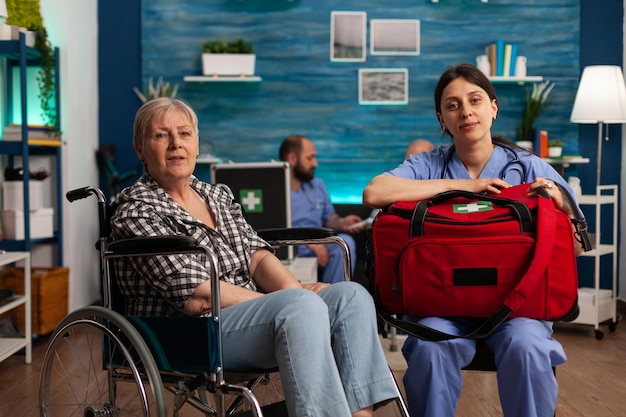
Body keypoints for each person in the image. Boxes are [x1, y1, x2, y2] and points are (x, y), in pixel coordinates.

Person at [110, 98, 399, 417]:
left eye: (185, 133)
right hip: (188, 332)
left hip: (240, 315)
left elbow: (257, 258)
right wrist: (293, 299)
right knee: (300, 306)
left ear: (196, 143)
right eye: (161, 135)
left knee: (351, 296)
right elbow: (196, 294)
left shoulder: (216, 195)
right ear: (140, 149)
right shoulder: (138, 211)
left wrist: (297, 292)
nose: (176, 144)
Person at [362, 63, 584, 417]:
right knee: (429, 347)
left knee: (527, 346)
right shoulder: (428, 165)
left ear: (493, 108)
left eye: (475, 100)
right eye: (452, 105)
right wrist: (466, 186)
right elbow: (374, 192)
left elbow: (573, 248)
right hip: (441, 307)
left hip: (518, 308)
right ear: (442, 119)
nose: (465, 111)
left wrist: (564, 210)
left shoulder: (531, 168)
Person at [279, 134, 367, 284]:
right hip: (290, 247)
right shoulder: (275, 189)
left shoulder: (317, 184)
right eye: (310, 158)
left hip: (319, 243)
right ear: (292, 159)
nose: (315, 164)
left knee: (345, 243)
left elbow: (328, 218)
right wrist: (306, 242)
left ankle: (334, 298)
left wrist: (341, 223)